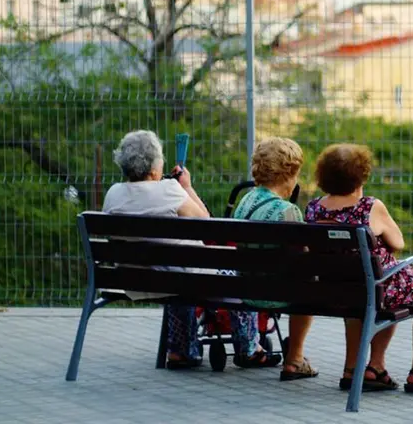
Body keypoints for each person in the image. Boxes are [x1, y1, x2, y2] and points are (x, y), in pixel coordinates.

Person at [102, 130, 280, 370]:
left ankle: (181, 351)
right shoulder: (168, 190)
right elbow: (206, 224)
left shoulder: (113, 194)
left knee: (178, 277)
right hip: (182, 278)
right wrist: (187, 186)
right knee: (235, 276)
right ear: (155, 168)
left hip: (134, 279)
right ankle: (249, 348)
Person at [304, 143, 413, 392]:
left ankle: (360, 368)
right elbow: (398, 242)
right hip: (371, 289)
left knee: (383, 285)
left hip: (332, 289)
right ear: (361, 176)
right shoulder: (369, 207)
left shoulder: (313, 208)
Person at [232, 137, 317, 381]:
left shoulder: (244, 200)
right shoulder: (288, 211)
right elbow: (303, 261)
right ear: (290, 173)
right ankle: (295, 360)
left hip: (246, 289)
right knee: (309, 282)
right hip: (275, 295)